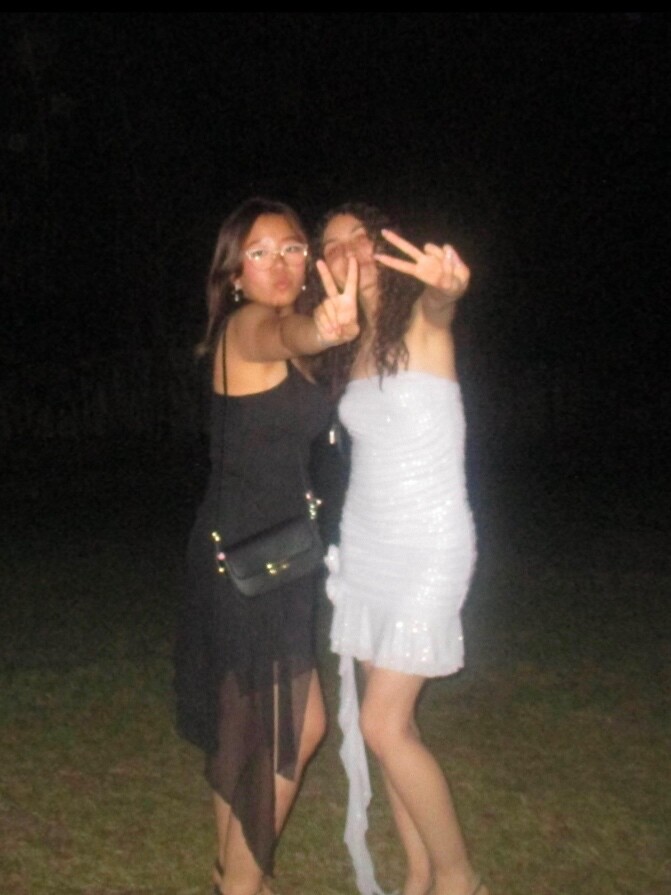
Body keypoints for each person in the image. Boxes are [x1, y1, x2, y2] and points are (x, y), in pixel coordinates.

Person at [173, 196, 358, 895]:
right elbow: (289, 333)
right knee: (295, 728)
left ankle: (230, 871)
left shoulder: (262, 332)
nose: (278, 264)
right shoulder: (250, 324)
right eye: (259, 253)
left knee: (245, 726)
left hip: (252, 549)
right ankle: (241, 886)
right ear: (234, 275)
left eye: (291, 249)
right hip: (256, 558)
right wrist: (322, 326)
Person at [307, 202, 489, 895]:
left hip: (428, 544)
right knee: (398, 723)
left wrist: (447, 288)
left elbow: (444, 304)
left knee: (381, 724)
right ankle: (417, 875)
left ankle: (459, 878)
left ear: (382, 245)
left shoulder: (421, 320)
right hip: (367, 545)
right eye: (332, 244)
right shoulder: (347, 343)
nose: (348, 249)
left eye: (359, 235)